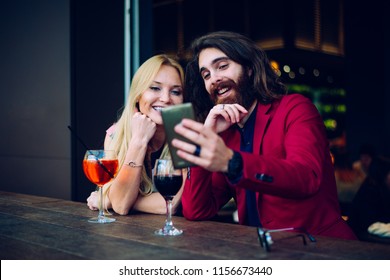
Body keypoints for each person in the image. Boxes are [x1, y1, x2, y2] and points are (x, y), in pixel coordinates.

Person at [171, 31, 357, 239]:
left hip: (322, 249)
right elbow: (197, 210)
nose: (214, 79)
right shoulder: (225, 135)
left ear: (249, 68)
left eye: (222, 66)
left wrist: (233, 163)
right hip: (262, 253)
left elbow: (306, 178)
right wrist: (206, 135)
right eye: (206, 75)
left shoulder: (296, 108)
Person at [86, 54, 185, 215]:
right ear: (138, 94)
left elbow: (170, 204)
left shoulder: (185, 135)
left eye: (175, 91)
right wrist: (139, 141)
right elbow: (121, 206)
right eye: (155, 88)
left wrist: (110, 200)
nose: (166, 98)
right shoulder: (116, 134)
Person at [348, 157, 390, 241]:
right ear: (383, 174)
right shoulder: (371, 191)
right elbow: (369, 224)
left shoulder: (376, 188)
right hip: (361, 241)